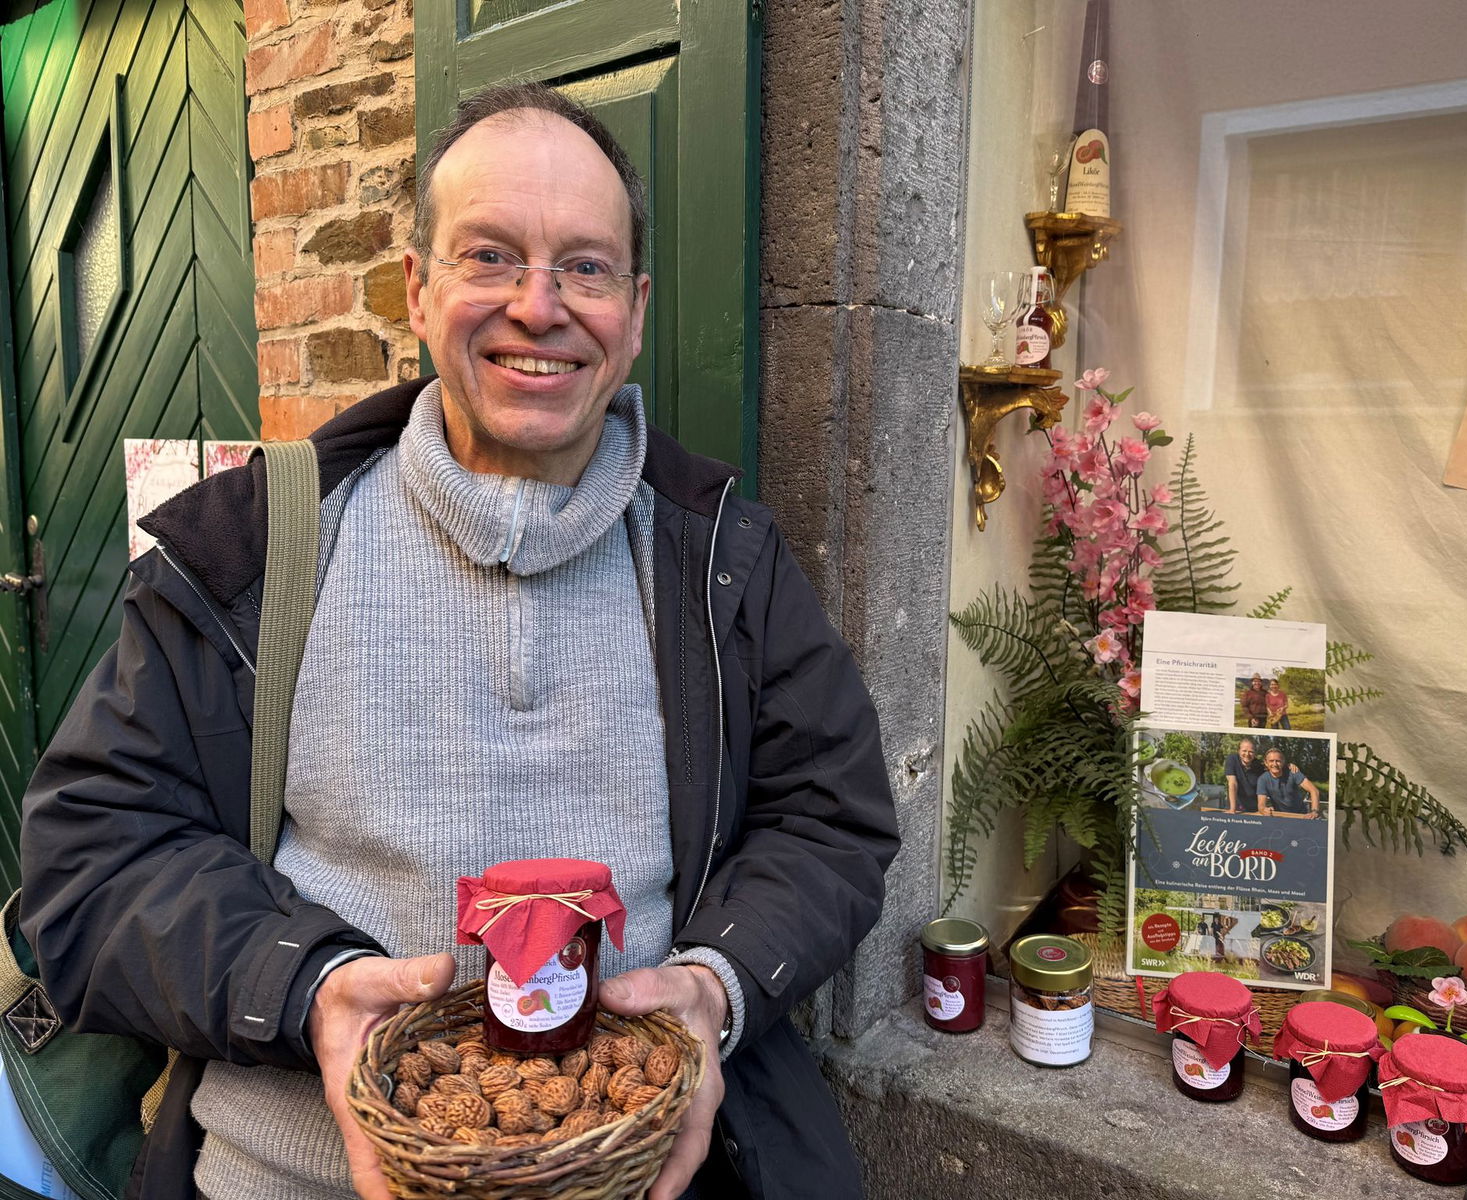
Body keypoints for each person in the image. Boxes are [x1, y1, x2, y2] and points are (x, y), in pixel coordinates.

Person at [18, 80, 899, 1200]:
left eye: (583, 267)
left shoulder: (724, 558)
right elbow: (92, 859)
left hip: (637, 1170)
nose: (540, 306)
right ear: (415, 288)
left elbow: (831, 819)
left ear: (632, 310)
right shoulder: (253, 550)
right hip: (295, 1176)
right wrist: (308, 988)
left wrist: (717, 986)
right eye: (489, 256)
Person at [1256, 749, 1321, 818]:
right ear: (1266, 763)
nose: (1275, 764)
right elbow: (1261, 805)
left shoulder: (1293, 772)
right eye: (1271, 761)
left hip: (1301, 815)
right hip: (1280, 817)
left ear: (1283, 762)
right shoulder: (1262, 779)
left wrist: (1314, 811)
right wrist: (1264, 810)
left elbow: (1314, 791)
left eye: (1278, 761)